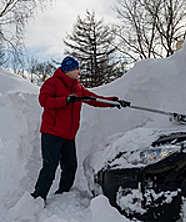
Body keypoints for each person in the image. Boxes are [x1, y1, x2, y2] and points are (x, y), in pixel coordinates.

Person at [31, 56, 130, 201]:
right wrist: (66, 100)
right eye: (76, 69)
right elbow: (44, 100)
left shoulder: (78, 87)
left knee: (70, 167)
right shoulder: (52, 83)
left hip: (69, 135)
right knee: (50, 167)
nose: (79, 72)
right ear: (68, 70)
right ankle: (38, 197)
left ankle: (63, 194)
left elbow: (93, 99)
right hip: (52, 133)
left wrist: (113, 102)